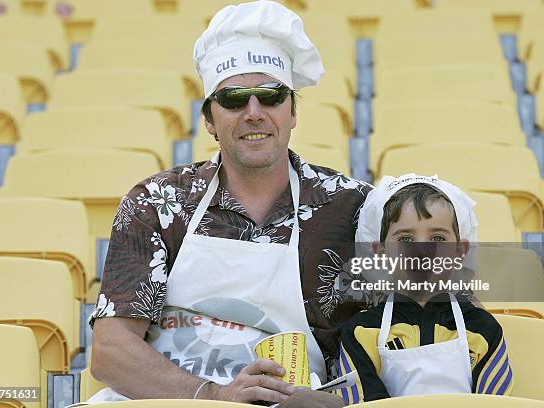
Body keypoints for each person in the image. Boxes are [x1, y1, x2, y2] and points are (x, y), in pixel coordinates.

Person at [87, 1, 370, 405]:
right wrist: (213, 395)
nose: (253, 113)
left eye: (270, 95)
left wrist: (343, 401)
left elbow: (439, 304)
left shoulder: (353, 207)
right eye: (234, 99)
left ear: (292, 112)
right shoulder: (157, 202)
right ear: (209, 119)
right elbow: (110, 351)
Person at [334, 174, 513, 403]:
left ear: (460, 251)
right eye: (406, 240)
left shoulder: (484, 330)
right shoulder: (361, 332)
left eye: (437, 237)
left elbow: (496, 404)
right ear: (380, 252)